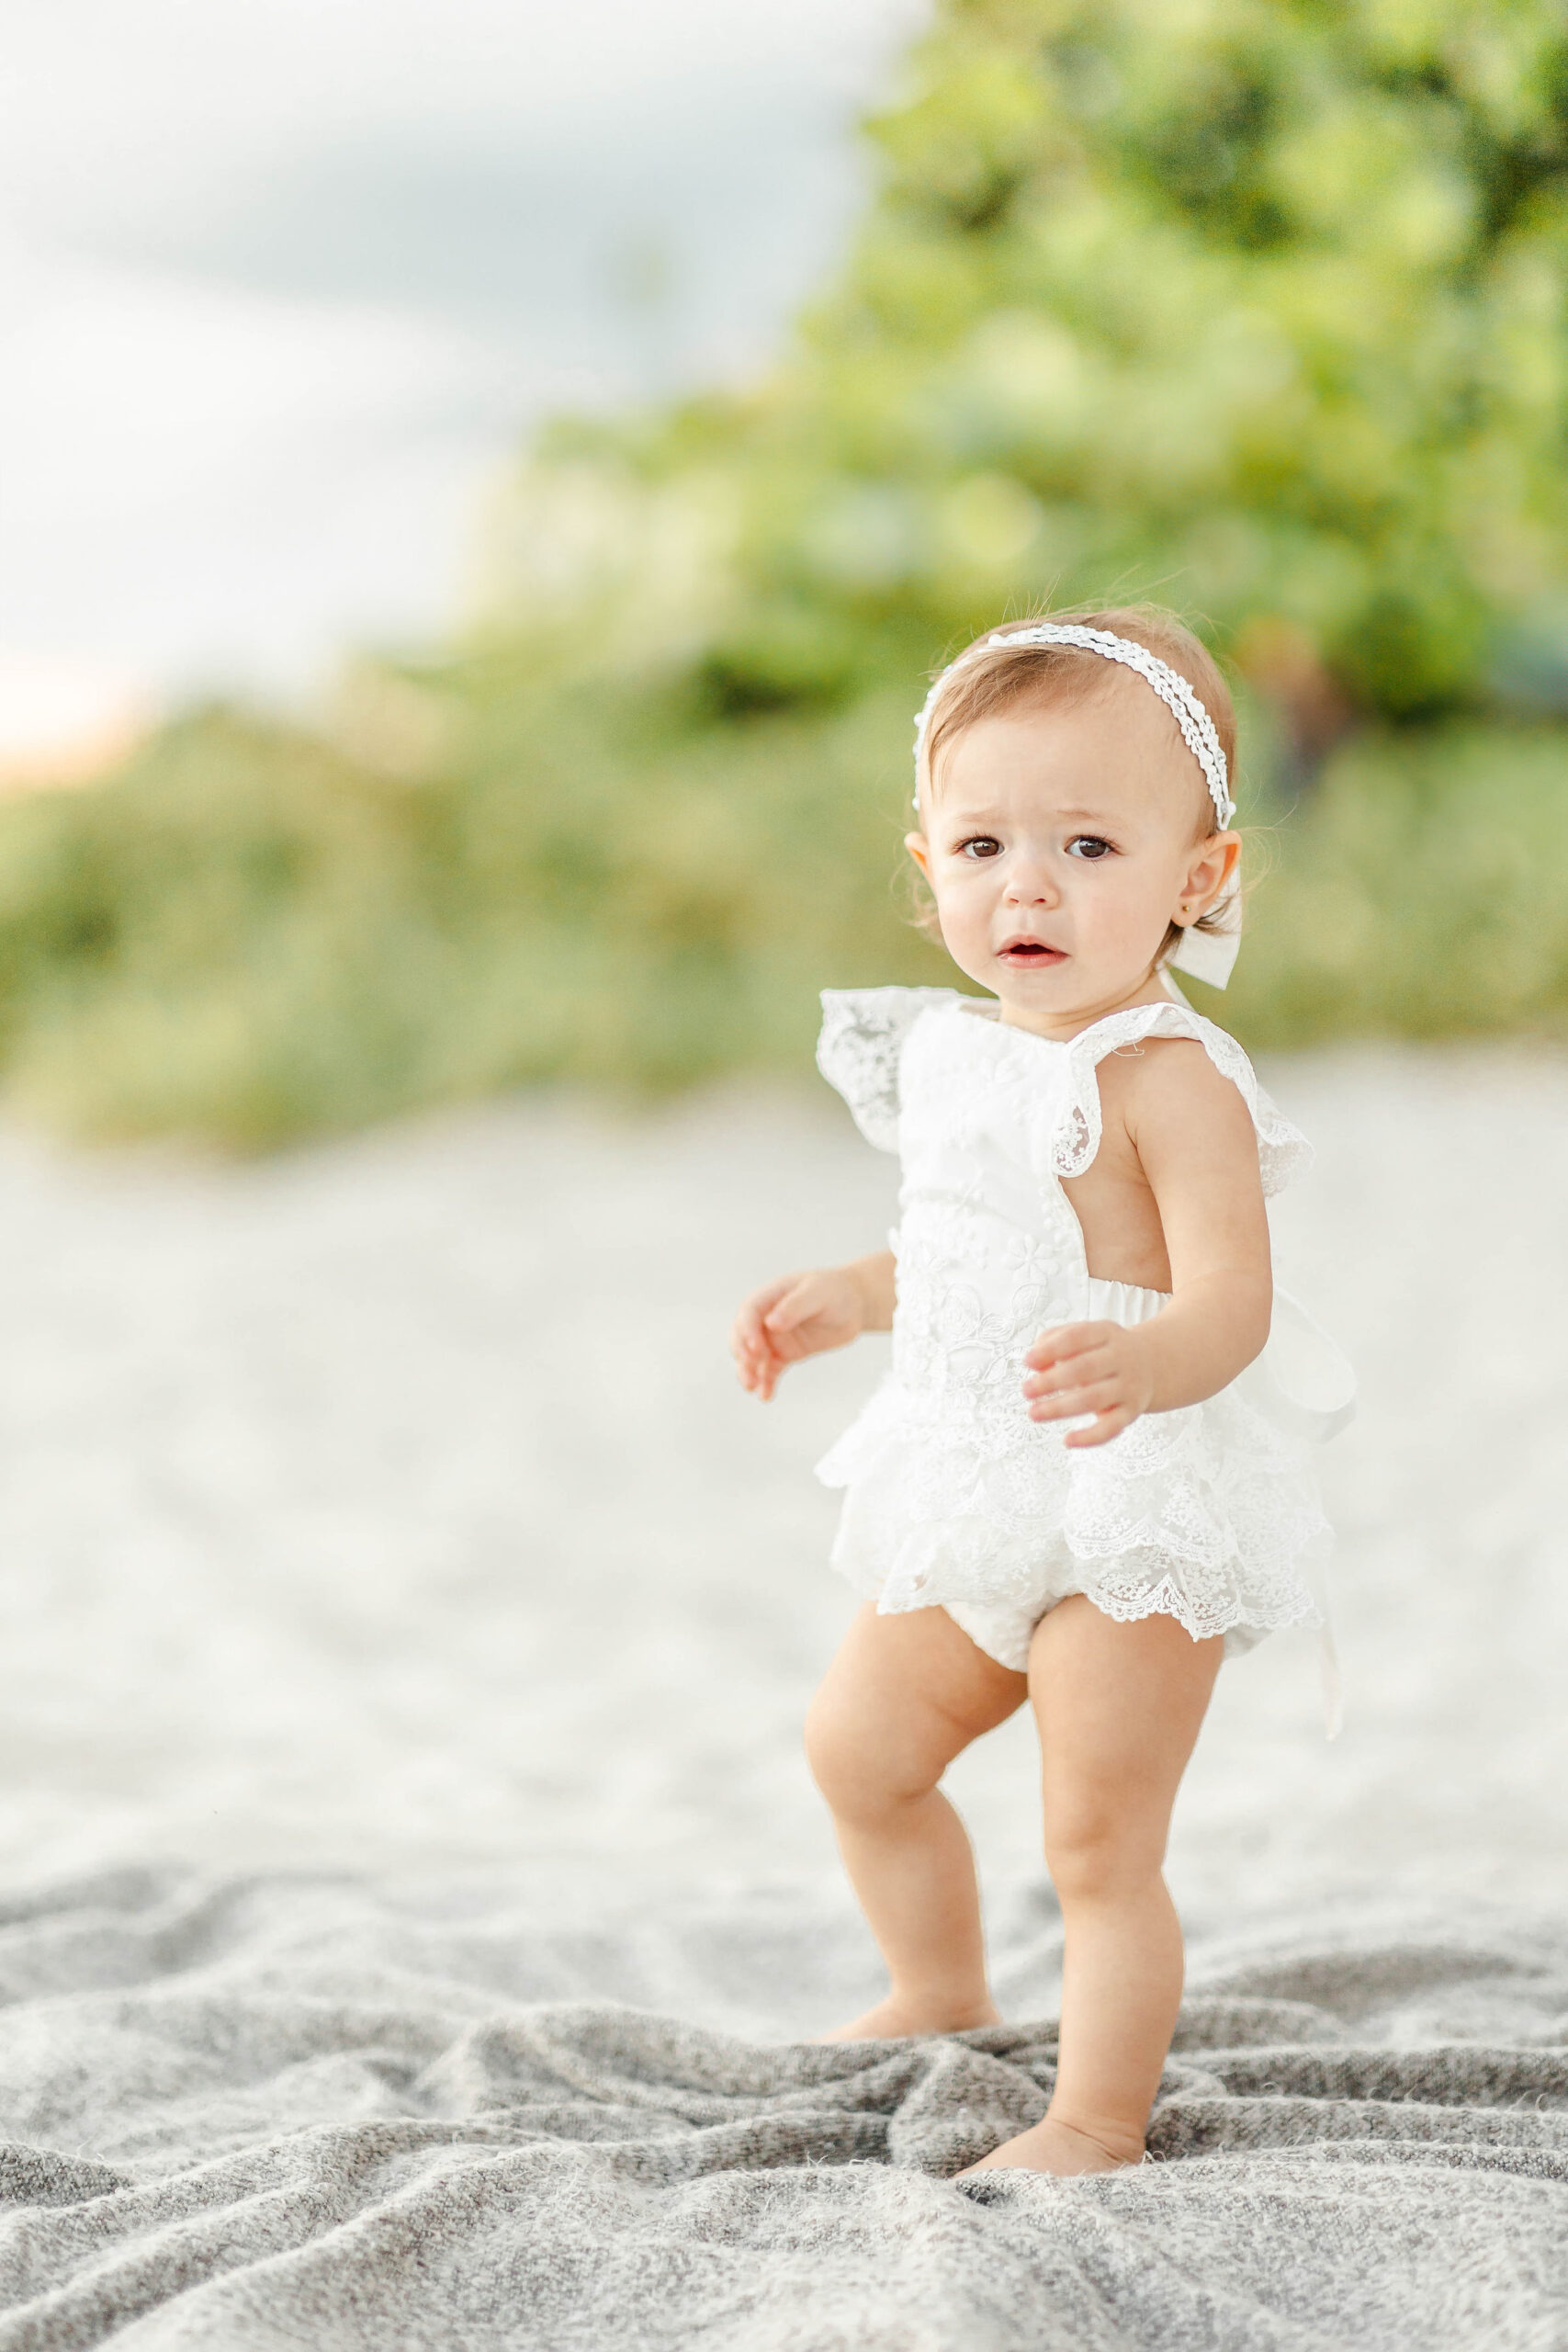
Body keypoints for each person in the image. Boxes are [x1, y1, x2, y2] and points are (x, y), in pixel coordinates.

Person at [730, 607, 1352, 2178]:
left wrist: (1150, 1360)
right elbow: (948, 1247)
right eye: (984, 842)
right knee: (858, 1753)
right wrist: (846, 1301)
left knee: (1097, 1841)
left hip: (1132, 1497)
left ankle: (1095, 2117)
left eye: (1087, 844)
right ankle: (936, 1981)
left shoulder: (1171, 1078)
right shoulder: (950, 1057)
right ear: (927, 858)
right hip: (974, 1483)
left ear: (1197, 879)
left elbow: (1234, 1302)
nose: (1028, 885)